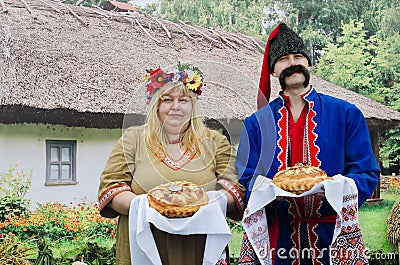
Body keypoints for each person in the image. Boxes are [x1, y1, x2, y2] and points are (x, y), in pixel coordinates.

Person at [235, 23, 380, 264]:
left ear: (308, 64)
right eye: (283, 59)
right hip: (278, 241)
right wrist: (269, 193)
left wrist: (338, 188)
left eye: (299, 56)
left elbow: (366, 172)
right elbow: (246, 176)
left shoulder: (346, 113)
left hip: (333, 238)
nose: (293, 63)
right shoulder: (256, 124)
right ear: (273, 70)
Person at [97, 63, 245, 265]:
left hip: (199, 244)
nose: (176, 106)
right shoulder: (133, 140)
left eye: (183, 100)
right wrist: (149, 207)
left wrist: (206, 202)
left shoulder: (215, 141)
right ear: (156, 105)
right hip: (146, 242)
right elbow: (111, 187)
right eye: (167, 100)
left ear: (192, 106)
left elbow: (235, 187)